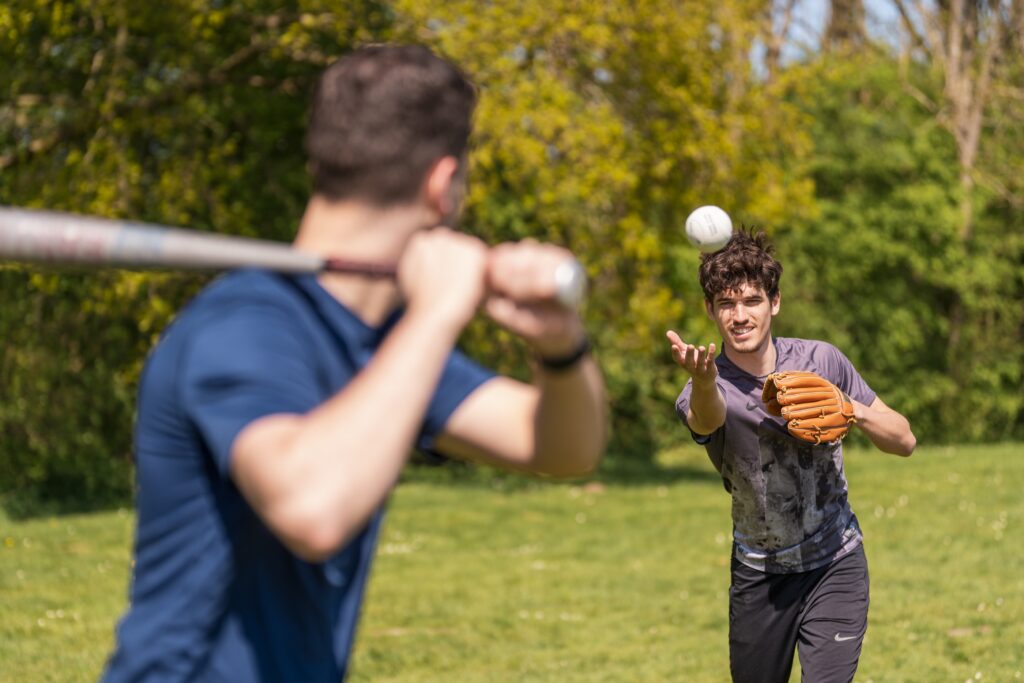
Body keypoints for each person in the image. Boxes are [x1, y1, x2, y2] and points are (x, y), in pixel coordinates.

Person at [103, 44, 606, 682]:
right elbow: (312, 509)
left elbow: (563, 449)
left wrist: (560, 346)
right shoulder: (246, 323)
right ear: (442, 185)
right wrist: (435, 316)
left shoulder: (386, 345)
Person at [666, 228, 915, 683]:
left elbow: (904, 440)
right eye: (726, 304)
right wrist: (703, 382)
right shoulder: (704, 387)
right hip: (760, 577)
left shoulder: (822, 361)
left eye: (752, 301)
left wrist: (850, 408)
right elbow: (706, 420)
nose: (740, 316)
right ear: (711, 311)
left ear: (774, 302)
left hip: (836, 563)